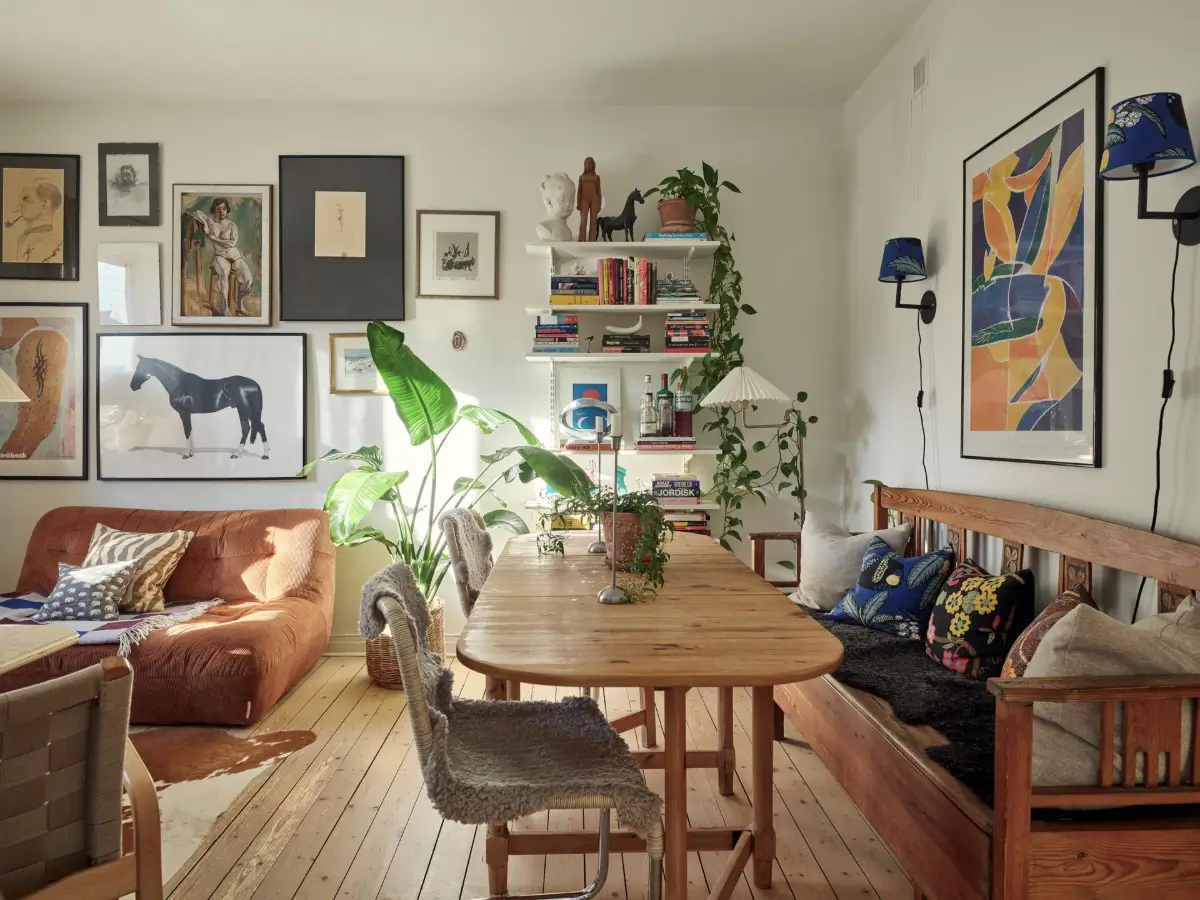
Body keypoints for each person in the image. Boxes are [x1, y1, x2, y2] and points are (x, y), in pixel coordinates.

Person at [187, 197, 253, 316]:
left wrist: (214, 238)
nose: (221, 211)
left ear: (227, 210)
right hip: (219, 257)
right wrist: (206, 224)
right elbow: (196, 213)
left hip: (235, 256)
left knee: (248, 279)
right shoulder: (211, 221)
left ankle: (240, 303)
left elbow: (232, 243)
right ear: (214, 210)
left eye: (224, 208)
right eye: (218, 209)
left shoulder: (231, 225)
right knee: (224, 273)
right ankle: (225, 307)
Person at [6, 177, 63, 264]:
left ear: (45, 205)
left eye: (26, 199)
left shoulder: (56, 243)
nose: (19, 205)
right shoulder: (22, 238)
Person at [577, 157, 602, 242]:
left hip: (594, 199)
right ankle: (582, 238)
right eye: (587, 164)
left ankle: (592, 239)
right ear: (584, 165)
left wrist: (599, 204)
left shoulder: (596, 177)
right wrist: (578, 202)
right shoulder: (581, 177)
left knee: (593, 220)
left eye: (590, 163)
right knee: (583, 219)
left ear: (593, 165)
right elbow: (579, 191)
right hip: (584, 199)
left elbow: (599, 192)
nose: (589, 165)